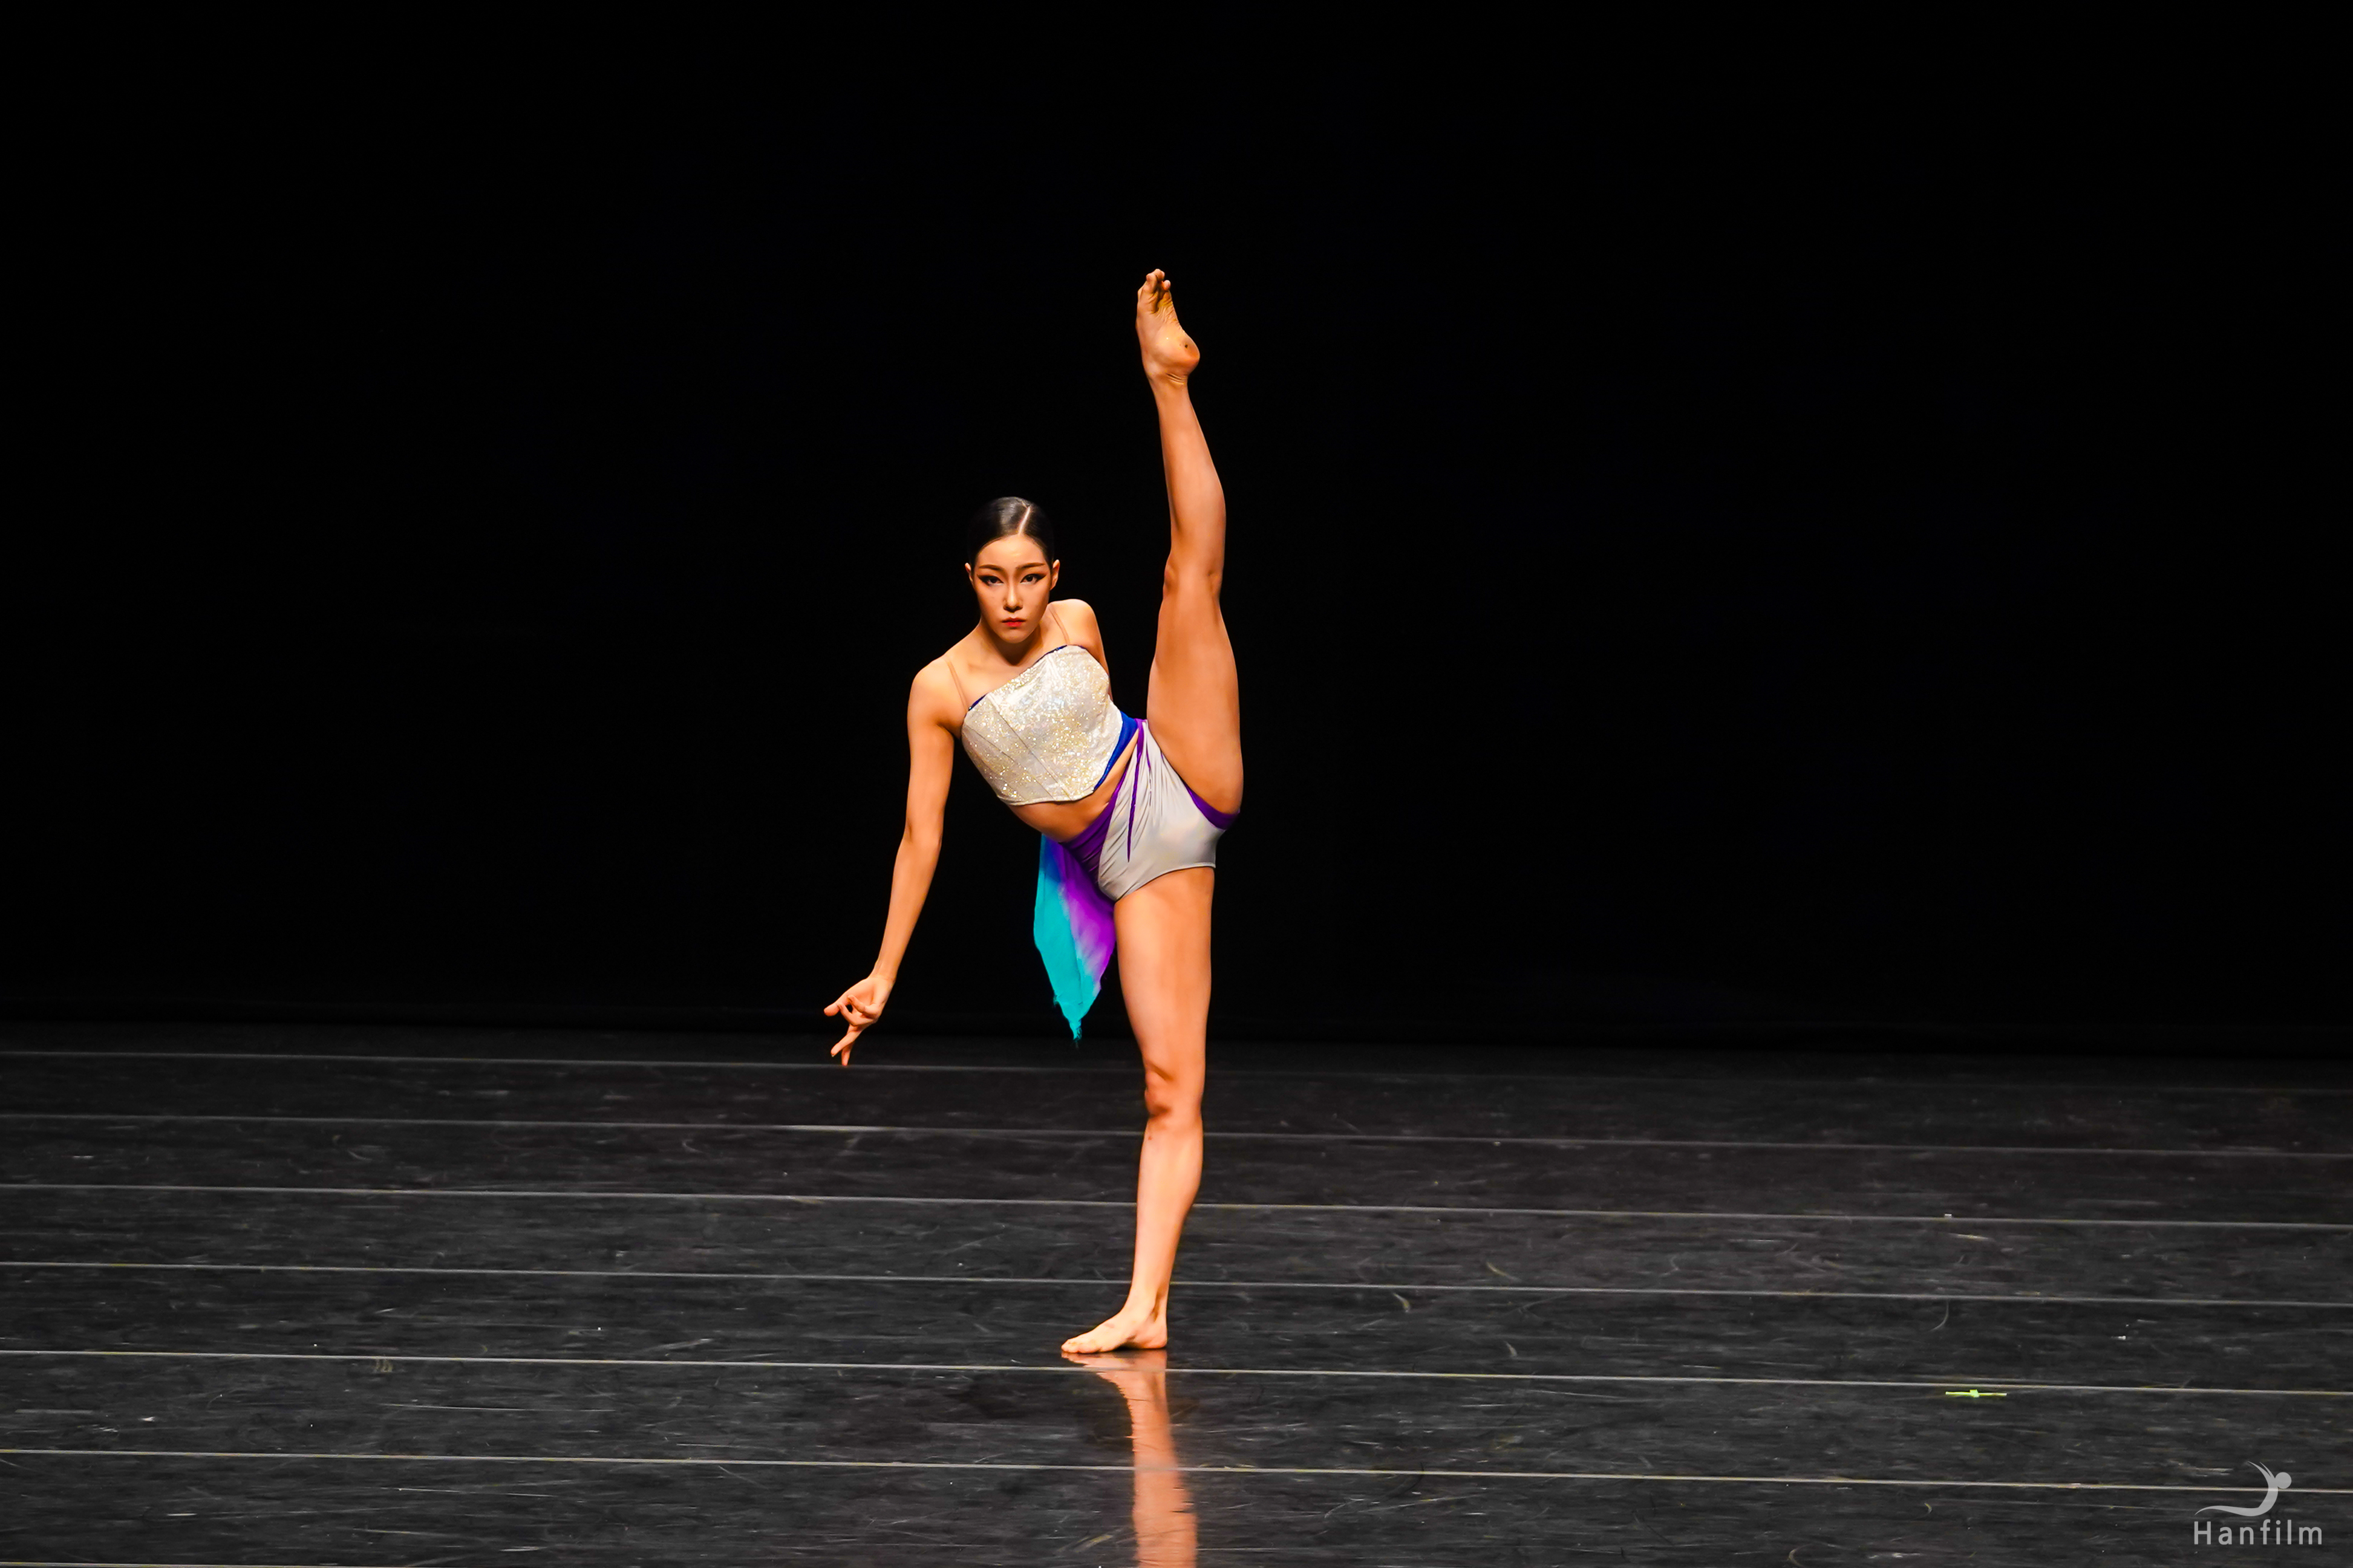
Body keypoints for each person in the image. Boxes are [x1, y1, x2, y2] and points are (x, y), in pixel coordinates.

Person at [824, 269, 1242, 1355]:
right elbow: (922, 837)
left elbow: (1108, 713)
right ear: (967, 577)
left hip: (1173, 769)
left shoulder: (1079, 620)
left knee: (1188, 581)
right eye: (992, 579)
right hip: (1133, 863)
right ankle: (1148, 1307)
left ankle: (1169, 381)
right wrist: (884, 971)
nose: (1013, 598)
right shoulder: (938, 689)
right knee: (1168, 1084)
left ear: (1053, 573)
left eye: (1029, 577)